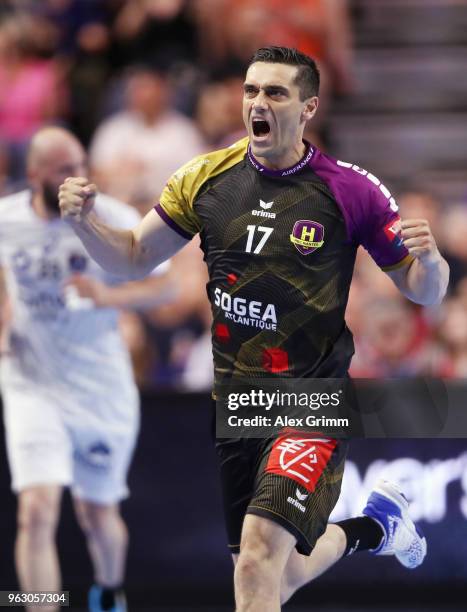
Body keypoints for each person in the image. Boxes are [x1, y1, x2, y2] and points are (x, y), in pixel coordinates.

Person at [59, 47, 449, 610]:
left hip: (312, 397)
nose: (256, 103)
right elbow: (131, 258)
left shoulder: (349, 189)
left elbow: (422, 291)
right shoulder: (205, 177)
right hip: (239, 402)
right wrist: (84, 223)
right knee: (268, 572)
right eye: (250, 90)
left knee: (261, 554)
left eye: (274, 92)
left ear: (309, 106)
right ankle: (375, 530)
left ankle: (374, 530)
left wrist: (431, 262)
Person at [0, 127, 171, 612]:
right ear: (34, 174)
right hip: (30, 381)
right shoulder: (6, 220)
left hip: (100, 386)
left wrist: (109, 296)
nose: (76, 178)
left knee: (96, 512)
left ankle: (108, 592)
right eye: (62, 170)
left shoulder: (113, 217)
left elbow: (166, 289)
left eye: (80, 166)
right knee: (35, 511)